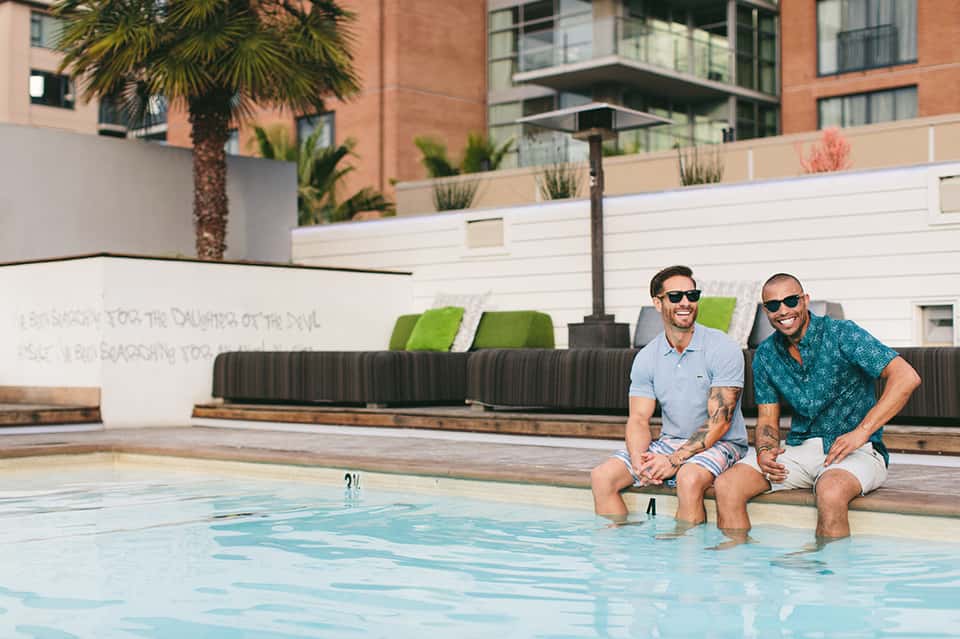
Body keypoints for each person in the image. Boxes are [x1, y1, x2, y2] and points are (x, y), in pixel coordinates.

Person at [714, 273, 921, 539]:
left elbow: (906, 377)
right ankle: (736, 571)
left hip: (857, 452)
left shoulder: (843, 334)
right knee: (727, 485)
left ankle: (830, 577)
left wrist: (861, 432)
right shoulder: (765, 354)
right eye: (774, 305)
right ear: (766, 310)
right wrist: (765, 450)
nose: (783, 310)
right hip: (800, 450)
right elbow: (767, 417)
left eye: (791, 300)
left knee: (831, 491)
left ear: (805, 300)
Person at [590, 265, 748, 525]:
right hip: (670, 441)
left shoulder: (722, 347)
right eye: (675, 297)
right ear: (658, 303)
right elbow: (639, 419)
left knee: (688, 478)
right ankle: (617, 558)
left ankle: (685, 560)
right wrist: (640, 460)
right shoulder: (647, 357)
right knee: (602, 477)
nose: (685, 302)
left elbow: (720, 421)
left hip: (723, 442)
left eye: (692, 295)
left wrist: (673, 461)